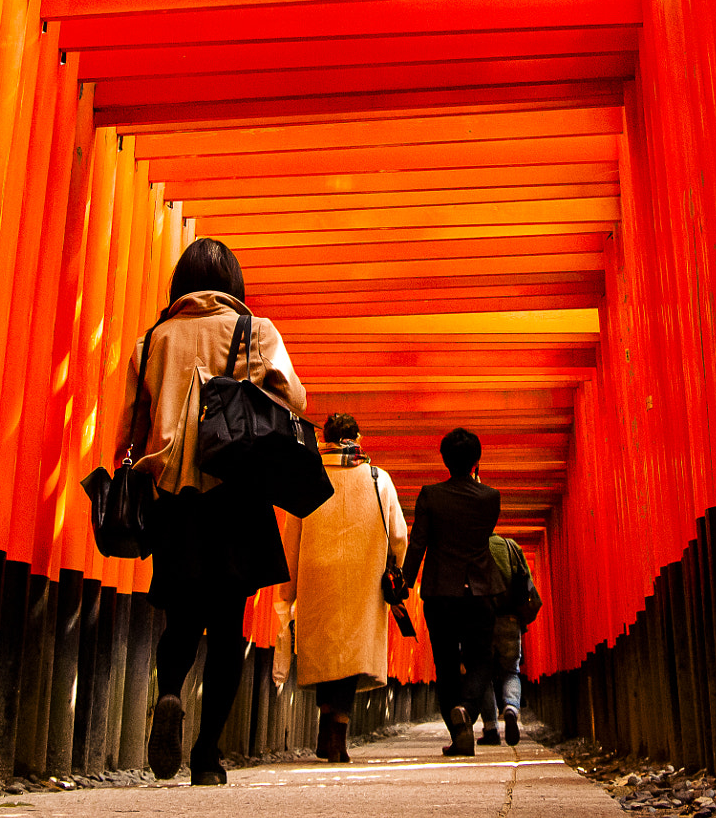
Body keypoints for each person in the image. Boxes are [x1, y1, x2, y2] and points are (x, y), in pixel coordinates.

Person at [120, 238, 307, 786]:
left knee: (181, 615)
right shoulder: (257, 333)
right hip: (238, 491)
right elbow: (294, 399)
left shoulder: (152, 339)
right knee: (228, 627)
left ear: (182, 282)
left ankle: (171, 691)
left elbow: (131, 423)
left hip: (177, 498)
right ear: (235, 284)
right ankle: (206, 756)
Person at [277, 413, 408, 764]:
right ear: (359, 437)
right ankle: (338, 731)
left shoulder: (309, 477)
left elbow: (292, 539)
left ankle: (326, 730)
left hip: (317, 575)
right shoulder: (379, 478)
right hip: (362, 577)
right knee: (350, 653)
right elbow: (399, 535)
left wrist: (287, 589)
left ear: (324, 440)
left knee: (324, 650)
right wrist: (392, 564)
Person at [400, 427, 506, 756]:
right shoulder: (490, 498)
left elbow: (418, 543)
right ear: (477, 460)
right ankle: (467, 710)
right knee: (481, 660)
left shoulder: (430, 495)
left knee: (445, 663)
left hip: (440, 592)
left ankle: (456, 728)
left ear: (444, 459)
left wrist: (404, 583)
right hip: (479, 590)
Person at [476, 532, 541, 747]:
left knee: (482, 674)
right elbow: (527, 581)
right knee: (511, 671)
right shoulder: (511, 547)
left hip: (482, 620)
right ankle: (511, 708)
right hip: (510, 618)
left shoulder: (472, 546)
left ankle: (491, 728)